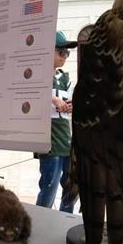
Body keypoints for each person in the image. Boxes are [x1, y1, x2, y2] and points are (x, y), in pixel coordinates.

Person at [35, 31, 78, 213]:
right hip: (49, 139)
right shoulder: (36, 75)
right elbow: (31, 93)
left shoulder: (65, 78)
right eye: (61, 52)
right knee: (49, 185)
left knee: (71, 184)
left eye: (67, 53)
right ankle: (41, 219)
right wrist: (53, 100)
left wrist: (71, 105)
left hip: (66, 137)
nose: (65, 57)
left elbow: (71, 102)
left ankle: (65, 220)